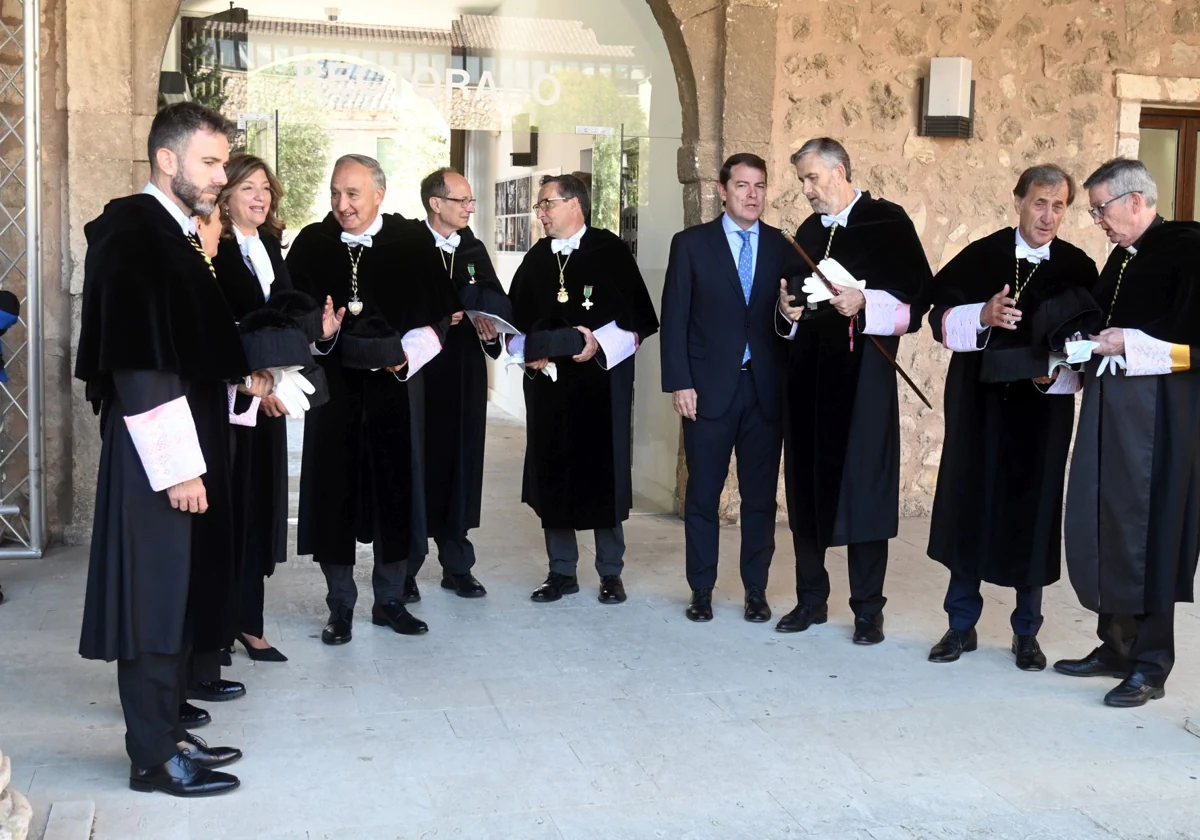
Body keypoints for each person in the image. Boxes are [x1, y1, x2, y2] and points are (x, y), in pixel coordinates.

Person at [75, 102, 271, 797]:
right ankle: (153, 758)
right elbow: (141, 365)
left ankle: (168, 733)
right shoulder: (137, 235)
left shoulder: (172, 234)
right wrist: (180, 466)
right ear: (167, 159)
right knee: (153, 599)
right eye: (210, 162)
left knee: (174, 592)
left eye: (223, 163)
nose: (221, 177)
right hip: (156, 453)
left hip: (178, 444)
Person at [924, 164, 1099, 669]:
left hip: (1041, 411)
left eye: (1059, 206)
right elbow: (936, 318)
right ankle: (960, 625)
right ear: (1018, 201)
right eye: (1039, 203)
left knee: (1035, 508)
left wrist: (1057, 374)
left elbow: (1088, 341)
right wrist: (983, 315)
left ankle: (1027, 632)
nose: (1048, 216)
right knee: (969, 503)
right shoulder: (982, 256)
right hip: (978, 404)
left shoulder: (1078, 267)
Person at [288, 154, 459, 645]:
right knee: (333, 496)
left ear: (379, 194)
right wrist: (319, 337)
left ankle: (389, 600)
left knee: (395, 494)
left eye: (353, 194)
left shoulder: (410, 245)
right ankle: (339, 606)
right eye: (335, 194)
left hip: (395, 392)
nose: (342, 205)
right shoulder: (311, 244)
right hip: (335, 393)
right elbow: (293, 316)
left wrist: (405, 359)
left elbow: (440, 318)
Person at [1055, 158, 1200, 707]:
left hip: (1162, 416)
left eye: (1101, 208)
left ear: (1136, 200)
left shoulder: (1188, 249)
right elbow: (1100, 324)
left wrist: (1127, 345)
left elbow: (1190, 348)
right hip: (1112, 408)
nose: (1098, 221)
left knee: (1151, 532)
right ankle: (1115, 645)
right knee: (1107, 518)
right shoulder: (1121, 257)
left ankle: (1151, 663)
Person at [776, 137, 931, 644]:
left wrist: (865, 301)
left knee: (863, 488)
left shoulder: (887, 222)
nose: (806, 190)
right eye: (802, 180)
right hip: (808, 378)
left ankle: (867, 609)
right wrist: (786, 312)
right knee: (806, 486)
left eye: (812, 178)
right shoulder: (805, 231)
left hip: (863, 375)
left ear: (840, 170)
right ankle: (810, 600)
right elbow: (791, 299)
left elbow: (916, 302)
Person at [660, 153, 801, 623]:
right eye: (742, 186)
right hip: (706, 391)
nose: (752, 195)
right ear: (722, 191)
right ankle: (701, 589)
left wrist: (788, 313)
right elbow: (675, 317)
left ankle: (755, 591)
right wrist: (680, 382)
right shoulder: (692, 244)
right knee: (703, 494)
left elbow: (792, 316)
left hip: (764, 391)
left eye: (759, 186)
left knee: (759, 498)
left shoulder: (783, 246)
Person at [508, 174, 659, 604]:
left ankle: (610, 572)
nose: (540, 213)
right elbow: (514, 325)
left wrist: (596, 344)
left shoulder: (609, 251)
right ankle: (561, 572)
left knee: (602, 475)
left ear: (575, 204)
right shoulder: (537, 258)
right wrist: (524, 351)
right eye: (540, 206)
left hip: (600, 387)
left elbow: (640, 324)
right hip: (549, 391)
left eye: (546, 204)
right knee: (552, 473)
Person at [207, 153, 311, 662]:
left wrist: (289, 367)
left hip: (268, 399)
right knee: (227, 514)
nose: (260, 196)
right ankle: (216, 628)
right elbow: (218, 324)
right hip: (229, 400)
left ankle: (250, 622)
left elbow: (282, 315)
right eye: (248, 186)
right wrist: (252, 382)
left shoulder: (269, 243)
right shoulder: (212, 247)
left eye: (266, 188)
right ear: (225, 194)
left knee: (258, 511)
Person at [405, 167, 512, 601]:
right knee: (415, 467)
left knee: (461, 466)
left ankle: (457, 566)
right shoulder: (408, 248)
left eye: (471, 201)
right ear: (436, 203)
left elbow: (495, 297)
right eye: (462, 200)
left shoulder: (473, 248)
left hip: (464, 374)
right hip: (417, 375)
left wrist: (490, 326)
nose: (471, 207)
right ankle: (405, 568)